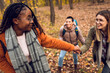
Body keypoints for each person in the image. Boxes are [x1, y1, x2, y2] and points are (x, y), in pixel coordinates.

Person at [0, 3, 81, 73]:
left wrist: (72, 47)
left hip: (38, 68)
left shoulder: (35, 33)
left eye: (32, 18)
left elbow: (52, 41)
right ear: (16, 21)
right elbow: (1, 60)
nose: (32, 21)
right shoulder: (3, 39)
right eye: (28, 18)